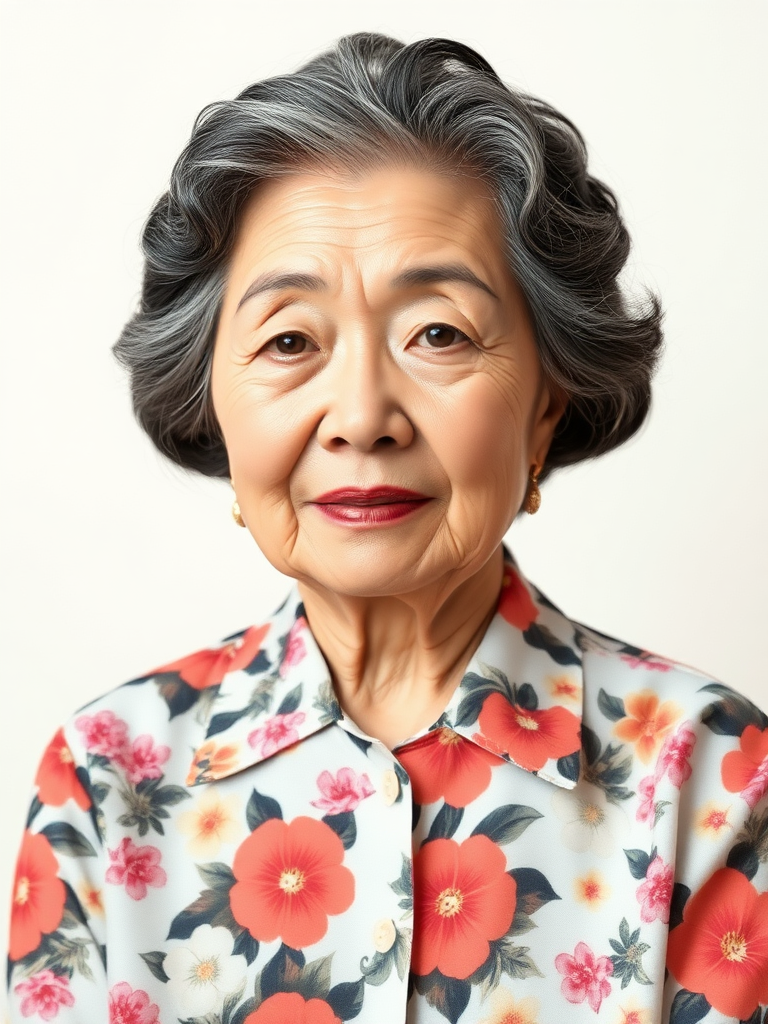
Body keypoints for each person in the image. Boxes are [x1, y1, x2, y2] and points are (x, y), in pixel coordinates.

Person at [7, 31, 767, 1024]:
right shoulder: (109, 772)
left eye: (438, 333)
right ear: (212, 405)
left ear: (545, 402)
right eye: (289, 340)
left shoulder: (713, 771)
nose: (362, 414)